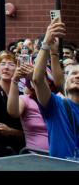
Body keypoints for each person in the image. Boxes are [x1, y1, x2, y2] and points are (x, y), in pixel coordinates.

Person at [32, 19, 79, 159]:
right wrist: (46, 43)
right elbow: (37, 79)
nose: (77, 76)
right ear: (65, 82)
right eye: (73, 73)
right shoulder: (55, 106)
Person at [7, 62, 49, 153]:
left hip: (58, 156)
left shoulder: (57, 99)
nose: (37, 80)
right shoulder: (26, 99)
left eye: (40, 77)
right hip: (34, 156)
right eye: (34, 78)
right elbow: (13, 112)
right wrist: (15, 80)